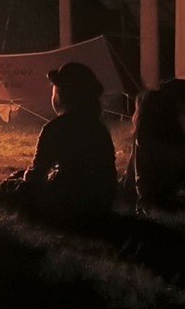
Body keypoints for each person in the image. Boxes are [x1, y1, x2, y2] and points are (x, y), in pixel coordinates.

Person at [9, 62, 118, 226]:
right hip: (102, 203)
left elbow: (36, 176)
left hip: (70, 205)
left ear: (61, 95)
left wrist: (20, 183)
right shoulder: (99, 128)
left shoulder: (56, 128)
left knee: (18, 187)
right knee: (20, 176)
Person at [122, 89, 185, 214]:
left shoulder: (144, 136)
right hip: (171, 192)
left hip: (151, 198)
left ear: (142, 112)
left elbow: (141, 172)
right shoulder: (180, 136)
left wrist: (141, 200)